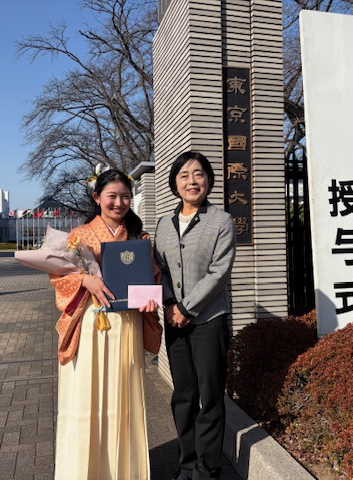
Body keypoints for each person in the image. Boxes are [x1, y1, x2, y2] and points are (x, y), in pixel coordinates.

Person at [52, 169, 160, 480]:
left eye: (125, 196)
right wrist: (84, 279)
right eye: (112, 196)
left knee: (124, 398)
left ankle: (124, 471)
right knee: (87, 397)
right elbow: (58, 276)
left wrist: (150, 299)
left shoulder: (139, 238)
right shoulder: (79, 236)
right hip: (91, 325)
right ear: (97, 198)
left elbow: (153, 278)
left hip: (127, 324)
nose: (119, 202)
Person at [154, 151, 237, 480]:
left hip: (208, 321)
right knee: (183, 396)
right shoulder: (164, 224)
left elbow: (219, 273)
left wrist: (187, 308)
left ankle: (207, 470)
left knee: (211, 397)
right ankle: (187, 466)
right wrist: (170, 304)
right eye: (184, 175)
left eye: (198, 174)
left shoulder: (221, 221)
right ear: (175, 182)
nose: (192, 181)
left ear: (209, 180)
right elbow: (159, 270)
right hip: (174, 321)